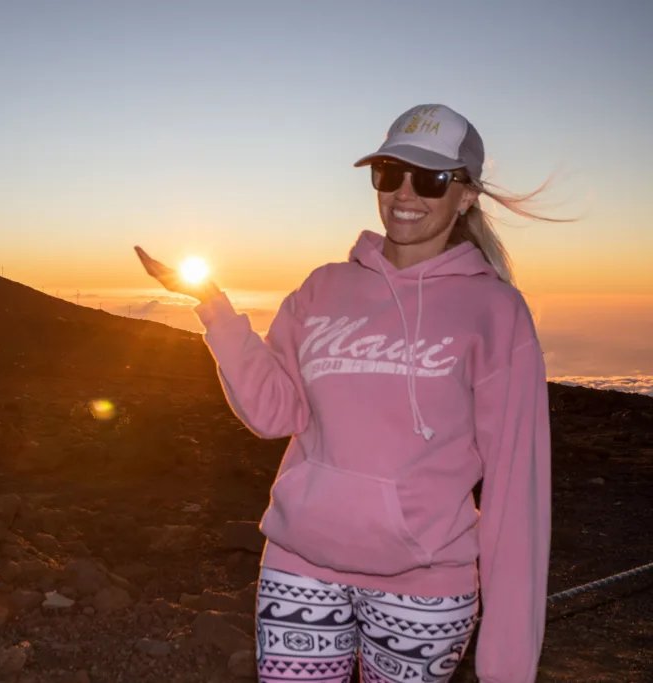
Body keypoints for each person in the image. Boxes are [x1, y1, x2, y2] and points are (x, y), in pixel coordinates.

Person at [135, 104, 553, 683]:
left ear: (465, 196)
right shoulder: (324, 287)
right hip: (298, 565)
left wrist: (508, 666)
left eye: (430, 178)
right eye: (389, 172)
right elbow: (273, 412)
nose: (404, 192)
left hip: (424, 588)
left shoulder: (496, 311)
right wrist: (214, 307)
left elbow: (517, 491)